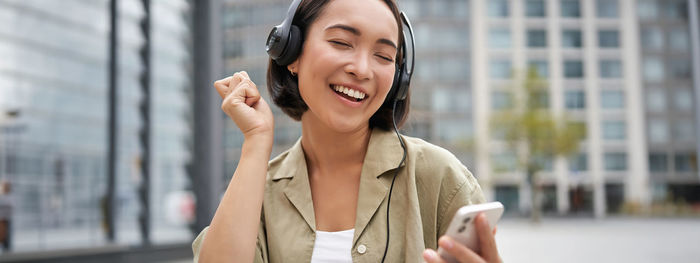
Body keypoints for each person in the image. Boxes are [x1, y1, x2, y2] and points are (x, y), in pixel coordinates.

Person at [192, 0, 501, 262]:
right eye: (341, 43)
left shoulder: (440, 177)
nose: (362, 70)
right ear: (291, 53)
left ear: (398, 79)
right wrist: (256, 142)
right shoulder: (256, 191)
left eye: (383, 56)